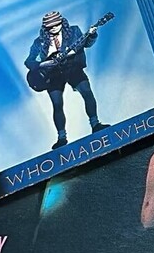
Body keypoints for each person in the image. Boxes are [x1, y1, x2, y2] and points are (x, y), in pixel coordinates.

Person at [24, 9, 104, 149]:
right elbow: (29, 61)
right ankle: (62, 138)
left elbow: (86, 44)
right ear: (46, 28)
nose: (54, 28)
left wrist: (92, 35)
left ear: (62, 22)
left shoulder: (74, 31)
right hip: (53, 75)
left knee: (87, 92)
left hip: (73, 68)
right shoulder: (39, 42)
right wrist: (44, 64)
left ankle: (95, 124)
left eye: (57, 24)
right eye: (50, 27)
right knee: (57, 104)